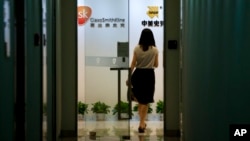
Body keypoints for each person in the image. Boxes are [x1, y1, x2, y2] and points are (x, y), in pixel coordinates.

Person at [127, 28, 159, 133]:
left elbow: (133, 64)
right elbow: (156, 65)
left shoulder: (136, 49)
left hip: (138, 74)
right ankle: (141, 123)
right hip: (149, 75)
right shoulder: (155, 50)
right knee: (145, 101)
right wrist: (149, 62)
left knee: (140, 100)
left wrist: (129, 77)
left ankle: (142, 122)